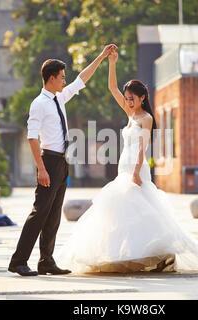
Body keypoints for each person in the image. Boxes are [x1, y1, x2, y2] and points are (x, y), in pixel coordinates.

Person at [56, 48, 198, 273]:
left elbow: (143, 148)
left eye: (132, 99)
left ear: (142, 98)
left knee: (141, 209)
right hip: (124, 165)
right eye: (127, 99)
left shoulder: (146, 118)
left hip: (136, 168)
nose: (129, 102)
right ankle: (125, 255)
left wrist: (137, 172)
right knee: (125, 211)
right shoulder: (130, 114)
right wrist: (111, 62)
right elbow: (112, 88)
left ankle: (157, 255)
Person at [8, 44, 118, 276]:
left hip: (61, 162)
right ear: (50, 79)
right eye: (61, 78)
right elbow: (31, 138)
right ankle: (18, 261)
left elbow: (82, 78)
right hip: (48, 162)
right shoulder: (39, 103)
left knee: (54, 215)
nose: (64, 82)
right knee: (39, 213)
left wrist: (101, 56)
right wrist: (41, 169)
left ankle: (46, 261)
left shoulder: (58, 99)